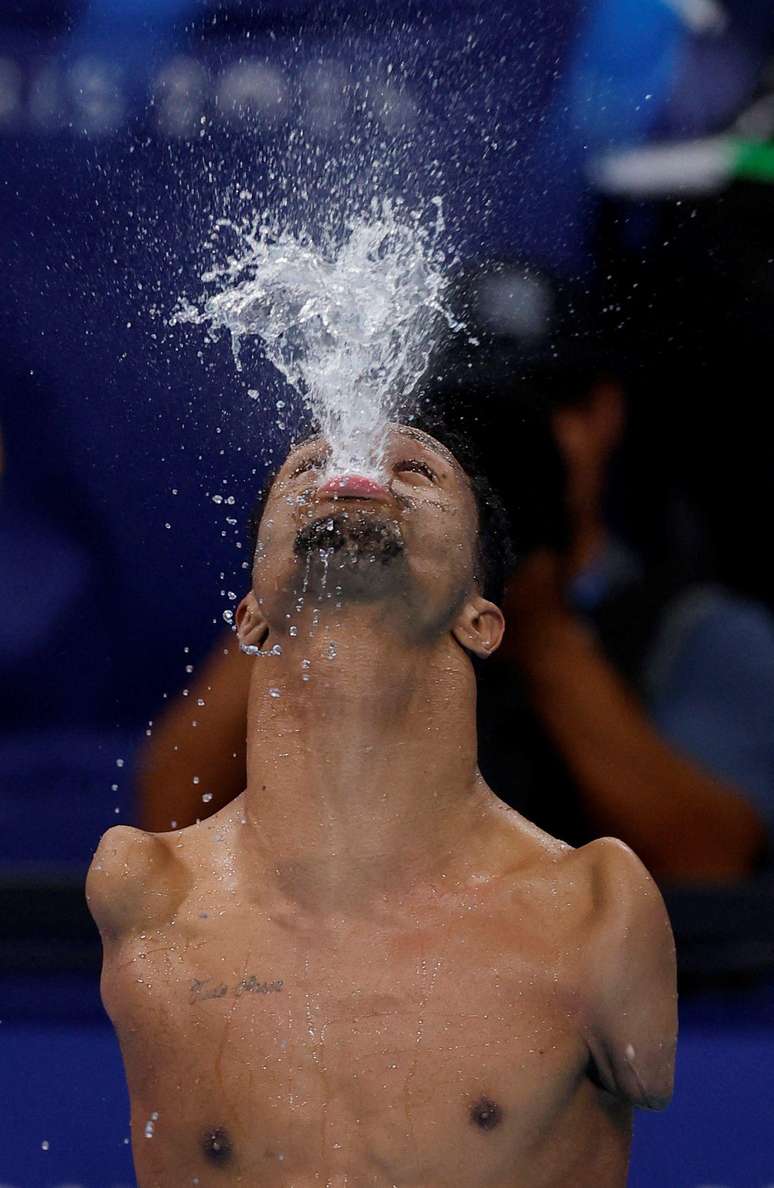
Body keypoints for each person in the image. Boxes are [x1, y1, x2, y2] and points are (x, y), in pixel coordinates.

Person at [87, 421, 676, 1187]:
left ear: (481, 616)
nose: (356, 476)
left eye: (419, 473)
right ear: (250, 618)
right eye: (308, 469)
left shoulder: (596, 908)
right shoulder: (143, 891)